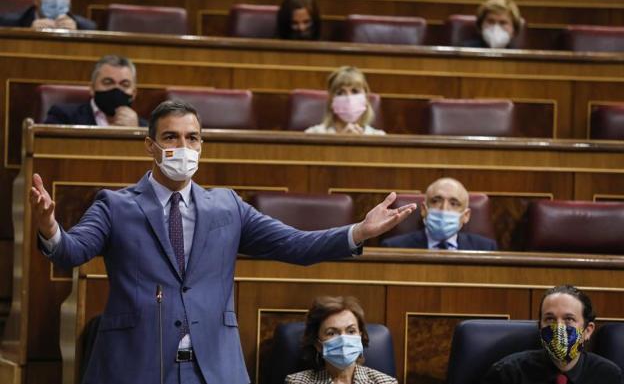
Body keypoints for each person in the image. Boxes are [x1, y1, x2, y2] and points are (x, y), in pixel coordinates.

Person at [29, 99, 416, 384]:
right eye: (171, 137)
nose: (183, 146)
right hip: (135, 365)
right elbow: (71, 250)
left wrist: (358, 232)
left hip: (213, 367)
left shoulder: (226, 205)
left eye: (192, 138)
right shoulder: (115, 204)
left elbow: (295, 245)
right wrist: (49, 226)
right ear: (150, 145)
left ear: (201, 145)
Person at [481, 285, 623, 384]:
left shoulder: (609, 376)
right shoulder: (508, 373)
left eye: (569, 319)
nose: (558, 327)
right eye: (550, 319)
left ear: (588, 330)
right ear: (540, 326)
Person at [285, 296, 398, 384]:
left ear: (360, 336)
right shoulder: (297, 381)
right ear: (318, 344)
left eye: (351, 331)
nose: (344, 339)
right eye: (332, 333)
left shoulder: (386, 382)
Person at [380, 177, 497, 250]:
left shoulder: (486, 248)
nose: (444, 209)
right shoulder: (394, 247)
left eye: (454, 203)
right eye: (436, 201)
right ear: (424, 210)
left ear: (466, 216)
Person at [44, 55, 146, 127]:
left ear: (133, 93)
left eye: (124, 84)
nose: (116, 89)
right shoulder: (63, 117)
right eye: (108, 82)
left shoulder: (145, 129)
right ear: (92, 88)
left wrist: (136, 134)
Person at [305, 66, 385, 135]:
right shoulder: (314, 134)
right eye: (340, 93)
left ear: (366, 97)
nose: (349, 98)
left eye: (355, 91)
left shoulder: (379, 137)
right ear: (331, 101)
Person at [0, 0, 96, 30]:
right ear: (36, 1)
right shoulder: (7, 24)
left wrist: (76, 36)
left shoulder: (86, 28)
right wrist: (29, 33)